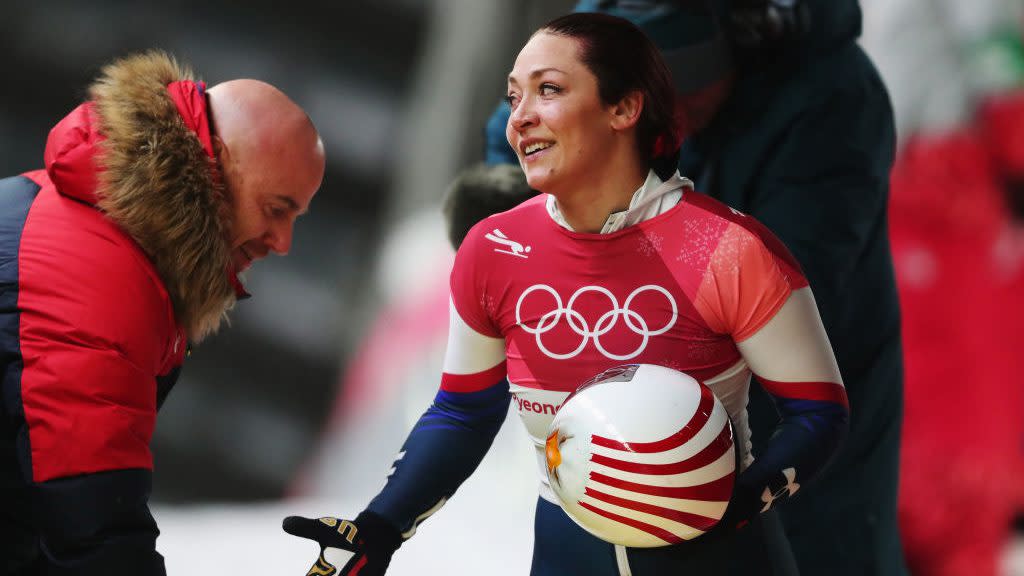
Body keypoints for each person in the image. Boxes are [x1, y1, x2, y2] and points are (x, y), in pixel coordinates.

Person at [285, 13, 847, 576]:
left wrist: (744, 501)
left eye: (548, 90)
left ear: (624, 109)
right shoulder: (494, 248)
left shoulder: (732, 247)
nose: (519, 117)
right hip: (567, 554)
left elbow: (818, 412)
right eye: (513, 96)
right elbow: (463, 414)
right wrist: (380, 526)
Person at [482, 2, 905, 573]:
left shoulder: (831, 100)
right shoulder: (587, 46)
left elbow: (786, 289)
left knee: (815, 549)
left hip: (794, 400)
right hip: (629, 419)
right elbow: (515, 148)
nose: (671, 134)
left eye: (694, 105)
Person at [0, 50, 325, 574]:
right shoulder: (99, 273)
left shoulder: (99, 226)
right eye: (276, 209)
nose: (283, 243)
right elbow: (92, 523)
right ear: (216, 161)